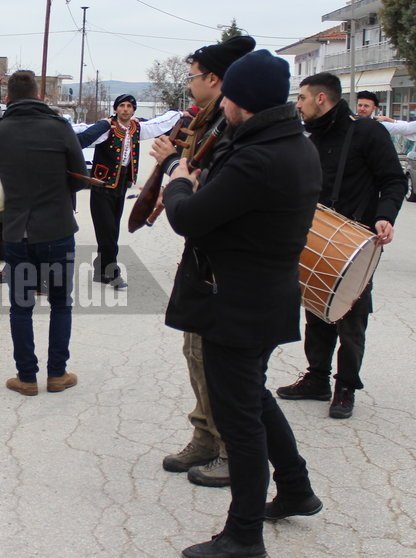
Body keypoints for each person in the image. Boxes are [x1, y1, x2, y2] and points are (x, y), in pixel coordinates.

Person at [163, 50, 324, 558]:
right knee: (253, 398)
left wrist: (178, 181)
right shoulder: (287, 143)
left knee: (240, 421)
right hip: (261, 297)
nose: (223, 101)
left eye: (229, 93)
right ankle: (297, 489)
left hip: (236, 304)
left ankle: (243, 534)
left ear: (245, 102)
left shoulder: (258, 157)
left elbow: (189, 217)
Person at [149, 35, 256, 489]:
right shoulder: (206, 122)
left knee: (218, 358)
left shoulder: (232, 130)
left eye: (192, 75)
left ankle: (232, 449)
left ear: (215, 79)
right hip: (203, 255)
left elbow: (210, 188)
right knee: (195, 350)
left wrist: (177, 173)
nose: (189, 84)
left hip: (227, 264)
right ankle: (206, 435)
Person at [277, 73, 406, 419]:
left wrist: (385, 216)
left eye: (302, 98)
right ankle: (317, 377)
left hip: (356, 242)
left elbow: (394, 179)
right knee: (317, 310)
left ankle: (345, 386)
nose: (298, 104)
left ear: (321, 99)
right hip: (315, 235)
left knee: (352, 316)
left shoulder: (366, 131)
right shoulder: (308, 136)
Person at [0, 70, 86, 396]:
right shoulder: (59, 128)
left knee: (21, 307)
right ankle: (57, 374)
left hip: (16, 232)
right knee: (60, 304)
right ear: (39, 95)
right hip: (57, 230)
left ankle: (26, 378)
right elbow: (80, 178)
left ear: (7, 98)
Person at [83, 94, 180, 289]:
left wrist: (181, 114)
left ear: (134, 110)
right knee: (107, 231)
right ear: (116, 109)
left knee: (113, 230)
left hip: (120, 186)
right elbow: (82, 134)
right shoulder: (105, 127)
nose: (125, 109)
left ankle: (101, 270)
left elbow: (157, 124)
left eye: (129, 106)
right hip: (102, 186)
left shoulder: (137, 128)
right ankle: (113, 273)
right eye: (122, 106)